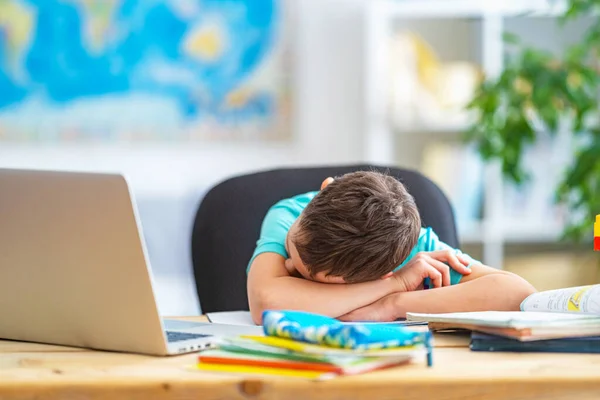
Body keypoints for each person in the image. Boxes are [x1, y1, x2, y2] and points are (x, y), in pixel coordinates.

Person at [246, 171, 536, 324]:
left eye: (303, 271)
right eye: (293, 250)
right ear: (325, 188)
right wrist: (393, 285)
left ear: (380, 271)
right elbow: (266, 303)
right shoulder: (290, 213)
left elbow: (519, 295)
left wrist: (392, 305)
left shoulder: (410, 250)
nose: (286, 266)